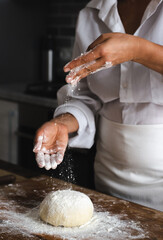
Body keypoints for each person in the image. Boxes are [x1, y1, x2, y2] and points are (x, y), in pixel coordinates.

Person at [33, 0, 163, 211]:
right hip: (108, 178)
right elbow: (83, 95)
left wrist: (138, 50)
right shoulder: (91, 14)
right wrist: (63, 123)